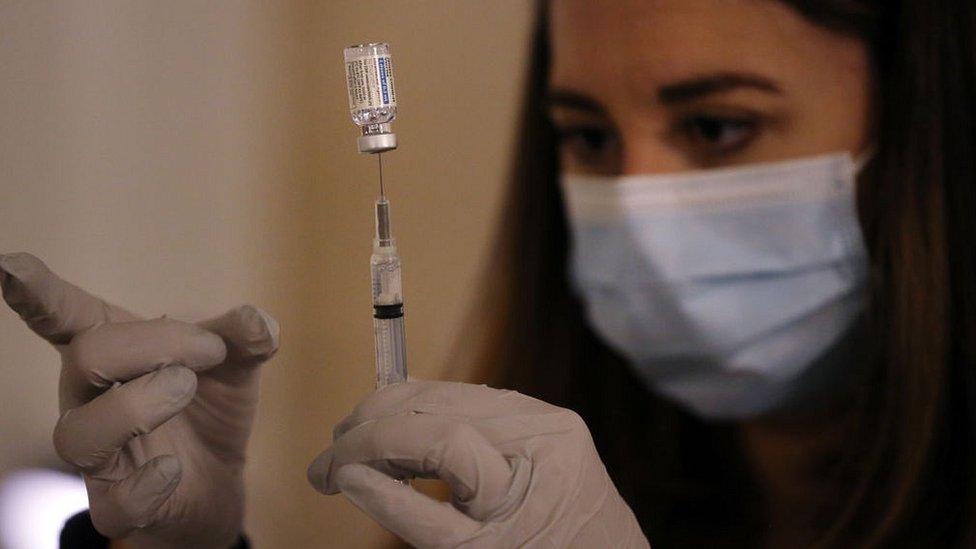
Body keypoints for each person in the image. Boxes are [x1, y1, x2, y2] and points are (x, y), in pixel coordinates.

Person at [2, 0, 975, 547]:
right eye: (587, 136)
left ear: (926, 132)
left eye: (716, 127)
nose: (633, 208)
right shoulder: (520, 508)